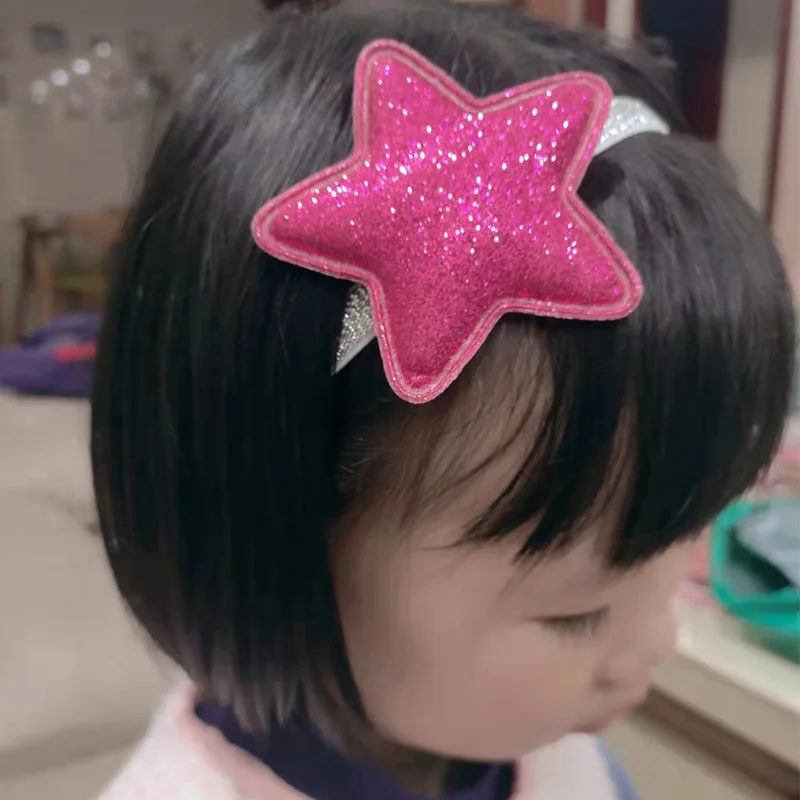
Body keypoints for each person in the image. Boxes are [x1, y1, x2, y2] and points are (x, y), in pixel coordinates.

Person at [91, 1, 795, 798]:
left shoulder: (563, 761)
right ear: (253, 540)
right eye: (577, 614)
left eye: (681, 552)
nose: (657, 645)